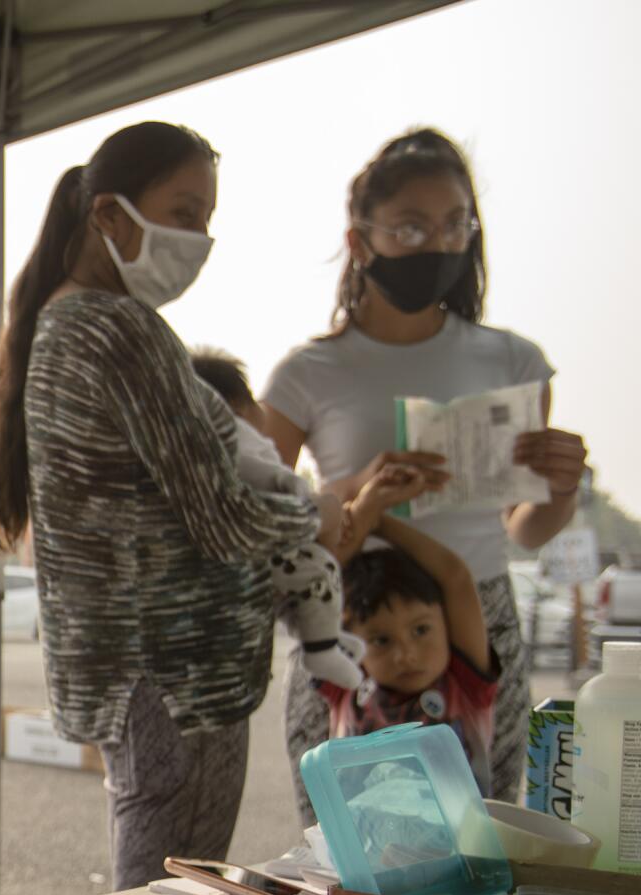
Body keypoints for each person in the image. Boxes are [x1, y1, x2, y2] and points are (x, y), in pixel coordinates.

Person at [0, 122, 339, 893]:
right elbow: (225, 519)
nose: (198, 238)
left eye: (206, 219)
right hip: (178, 674)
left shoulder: (64, 322)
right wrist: (318, 517)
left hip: (141, 676)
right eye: (184, 211)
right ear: (109, 214)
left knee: (158, 894)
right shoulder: (117, 328)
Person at [262, 129, 588, 817]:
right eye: (412, 225)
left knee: (480, 834)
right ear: (360, 239)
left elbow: (525, 529)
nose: (437, 243)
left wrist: (560, 489)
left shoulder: (513, 361)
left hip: (477, 621)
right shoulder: (307, 373)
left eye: (455, 224)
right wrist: (358, 489)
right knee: (343, 839)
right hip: (352, 616)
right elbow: (261, 518)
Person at [191, 348, 360, 690]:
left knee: (299, 590)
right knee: (319, 570)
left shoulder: (195, 439)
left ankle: (321, 637)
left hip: (239, 556)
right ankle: (321, 647)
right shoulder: (235, 432)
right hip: (264, 546)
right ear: (241, 405)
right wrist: (304, 496)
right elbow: (265, 474)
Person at [325, 465, 498, 791]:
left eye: (420, 630)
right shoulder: (347, 681)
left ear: (446, 624)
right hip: (360, 844)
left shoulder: (466, 687)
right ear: (352, 641)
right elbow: (321, 584)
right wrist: (366, 510)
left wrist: (382, 524)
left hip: (462, 844)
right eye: (380, 640)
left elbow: (456, 579)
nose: (405, 654)